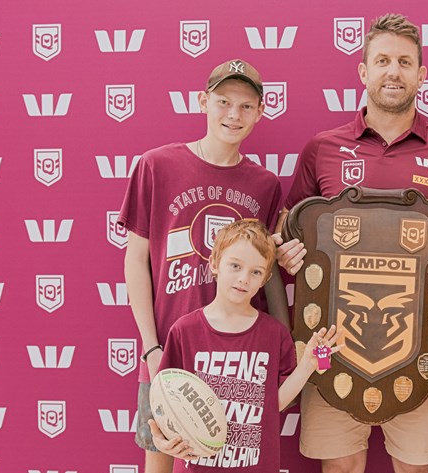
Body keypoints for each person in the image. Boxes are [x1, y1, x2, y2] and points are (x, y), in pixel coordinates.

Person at [274, 13, 428, 473]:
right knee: (341, 466)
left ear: (421, 74)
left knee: (418, 466)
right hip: (328, 347)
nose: (393, 71)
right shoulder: (322, 147)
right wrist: (283, 248)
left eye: (404, 62)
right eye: (382, 61)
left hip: (421, 346)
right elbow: (287, 223)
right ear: (363, 71)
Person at [119, 58, 287, 473]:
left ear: (260, 112)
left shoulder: (265, 185)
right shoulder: (156, 165)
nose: (234, 114)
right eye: (223, 101)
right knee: (159, 461)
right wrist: (151, 348)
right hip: (168, 350)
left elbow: (269, 273)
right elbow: (136, 261)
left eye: (246, 106)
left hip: (236, 361)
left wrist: (286, 342)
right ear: (202, 102)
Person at [148, 220, 343, 472]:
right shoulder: (184, 331)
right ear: (215, 264)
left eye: (256, 272)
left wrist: (308, 365)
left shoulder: (275, 334)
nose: (243, 279)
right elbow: (164, 401)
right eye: (235, 266)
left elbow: (274, 405)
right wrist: (161, 440)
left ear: (265, 279)